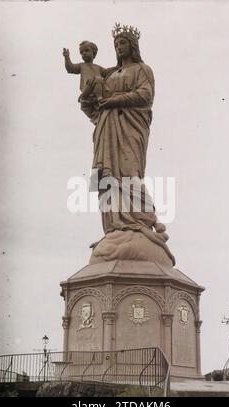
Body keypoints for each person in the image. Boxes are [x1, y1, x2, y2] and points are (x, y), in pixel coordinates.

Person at [86, 24, 174, 263]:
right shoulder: (109, 75)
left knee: (128, 172)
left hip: (130, 127)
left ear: (132, 46)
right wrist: (88, 96)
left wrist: (114, 101)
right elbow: (94, 106)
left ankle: (141, 221)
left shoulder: (143, 69)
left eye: (122, 43)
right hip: (106, 130)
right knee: (106, 177)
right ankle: (115, 228)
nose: (118, 47)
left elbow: (145, 95)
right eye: (115, 44)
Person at [63, 41, 114, 123]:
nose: (84, 54)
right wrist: (66, 57)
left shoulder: (97, 67)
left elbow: (107, 72)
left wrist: (117, 67)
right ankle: (99, 99)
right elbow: (70, 68)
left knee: (98, 79)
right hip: (88, 89)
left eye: (86, 51)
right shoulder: (81, 66)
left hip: (97, 89)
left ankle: (99, 99)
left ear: (93, 53)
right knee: (96, 79)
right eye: (81, 52)